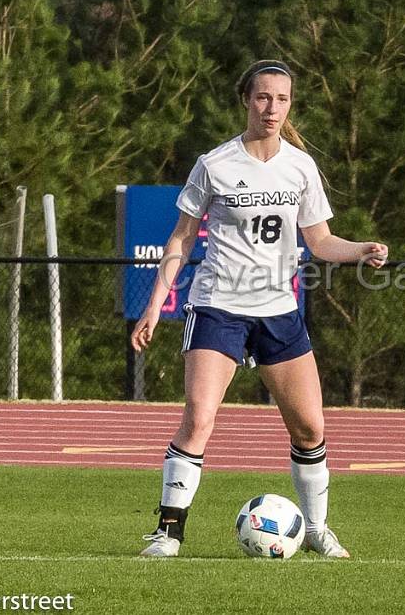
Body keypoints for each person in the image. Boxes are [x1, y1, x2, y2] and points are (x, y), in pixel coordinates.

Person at [131, 59, 388, 559]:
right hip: (218, 307)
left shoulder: (300, 166)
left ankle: (315, 530)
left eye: (282, 99)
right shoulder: (214, 164)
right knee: (200, 417)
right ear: (246, 100)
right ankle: (168, 533)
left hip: (278, 311)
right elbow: (181, 239)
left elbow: (319, 240)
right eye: (263, 97)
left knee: (311, 427)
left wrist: (359, 250)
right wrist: (154, 305)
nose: (272, 108)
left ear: (290, 105)